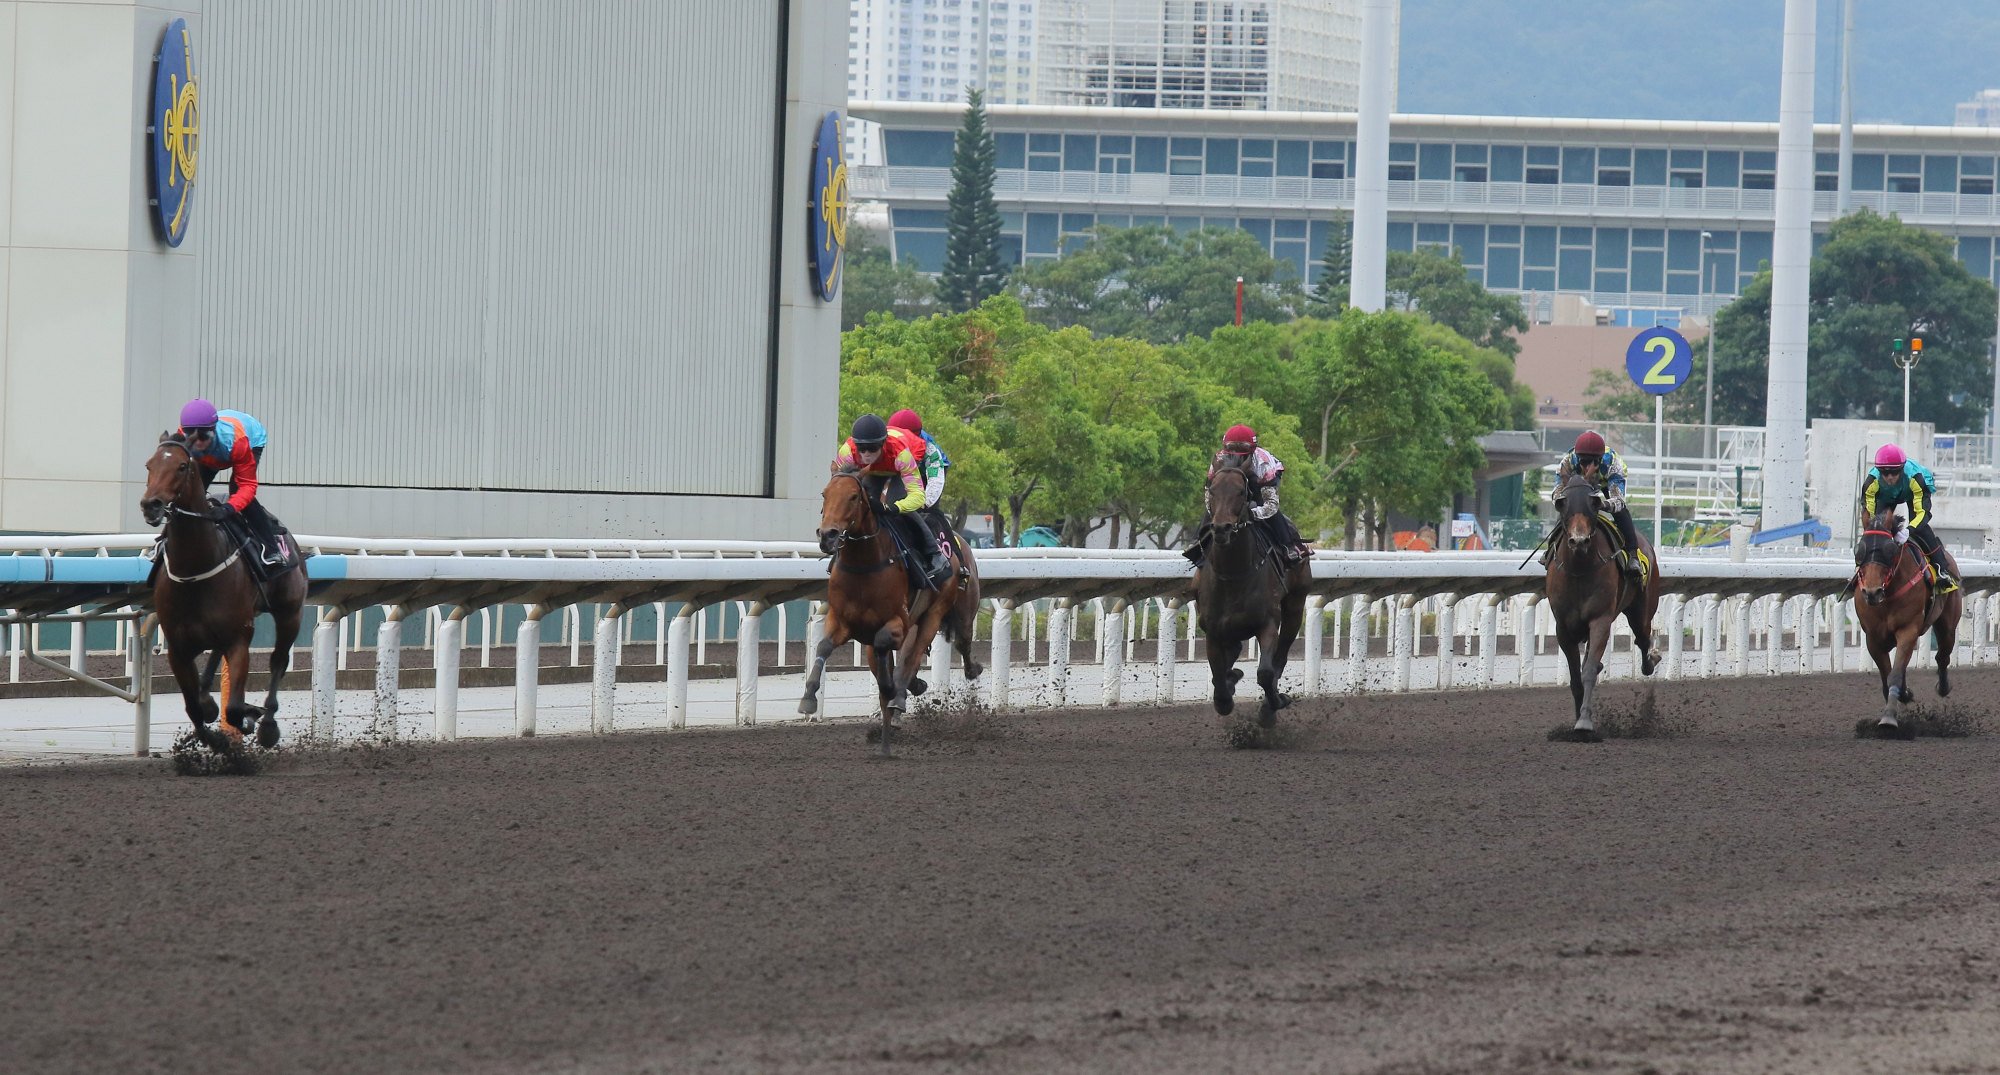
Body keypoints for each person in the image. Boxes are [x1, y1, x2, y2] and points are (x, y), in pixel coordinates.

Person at [834, 413, 951, 586]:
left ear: (882, 444)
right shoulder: (847, 452)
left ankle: (934, 553)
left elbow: (918, 497)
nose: (866, 454)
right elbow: (839, 489)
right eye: (862, 448)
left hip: (898, 467)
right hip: (874, 470)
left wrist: (891, 509)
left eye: (872, 448)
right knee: (860, 501)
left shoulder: (901, 453)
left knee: (895, 503)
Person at [177, 398, 288, 568]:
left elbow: (248, 487)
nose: (197, 443)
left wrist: (227, 508)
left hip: (249, 440)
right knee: (190, 491)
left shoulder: (237, 442)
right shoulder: (181, 437)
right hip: (216, 450)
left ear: (213, 431)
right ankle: (163, 542)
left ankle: (271, 548)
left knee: (237, 491)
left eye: (203, 436)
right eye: (191, 437)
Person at [1184, 424, 1308, 567]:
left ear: (1252, 451)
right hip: (1232, 482)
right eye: (1232, 453)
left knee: (1262, 502)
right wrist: (1218, 512)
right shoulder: (1218, 461)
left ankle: (1289, 546)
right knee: (1219, 501)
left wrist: (1250, 513)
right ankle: (1197, 542)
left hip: (1259, 480)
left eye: (1242, 455)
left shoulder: (1264, 465)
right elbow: (1209, 494)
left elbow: (1271, 505)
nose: (1237, 458)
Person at [1862, 443, 1957, 594]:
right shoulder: (1871, 483)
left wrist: (1908, 530)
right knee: (1874, 534)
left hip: (1912, 494)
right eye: (1885, 474)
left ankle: (1941, 569)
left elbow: (1922, 513)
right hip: (1886, 497)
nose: (1890, 477)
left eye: (1894, 472)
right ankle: (1859, 571)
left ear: (1901, 469)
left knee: (1921, 530)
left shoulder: (1916, 478)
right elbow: (1870, 514)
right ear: (1879, 472)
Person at [1548, 430, 1643, 577]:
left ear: (1600, 459)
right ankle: (1550, 550)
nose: (1588, 466)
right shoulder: (1567, 462)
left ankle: (1633, 555)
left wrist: (1602, 505)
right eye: (1584, 462)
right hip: (1576, 486)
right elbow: (1556, 495)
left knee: (1621, 512)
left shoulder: (1613, 464)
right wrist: (1582, 483)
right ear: (1577, 458)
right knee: (1566, 511)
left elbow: (1618, 500)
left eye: (1593, 462)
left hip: (1607, 483)